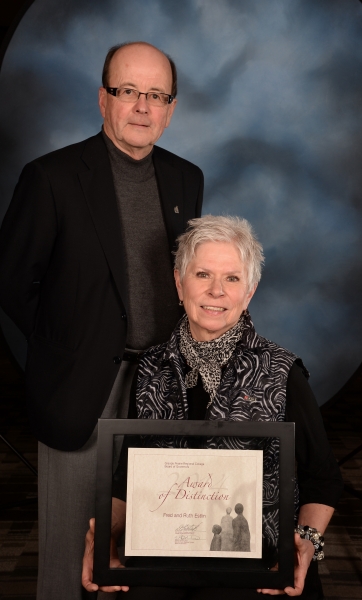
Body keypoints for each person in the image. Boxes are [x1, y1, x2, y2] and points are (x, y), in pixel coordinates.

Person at [0, 41, 203, 600]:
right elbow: (13, 281)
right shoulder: (51, 178)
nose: (142, 107)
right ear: (102, 99)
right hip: (79, 386)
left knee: (149, 548)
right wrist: (70, 341)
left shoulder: (188, 180)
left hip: (162, 386)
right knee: (72, 561)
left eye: (156, 95)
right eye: (128, 91)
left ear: (171, 108)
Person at [83, 215, 343, 599]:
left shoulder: (282, 371)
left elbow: (322, 478)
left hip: (259, 566)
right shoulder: (150, 368)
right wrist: (103, 532)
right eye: (203, 274)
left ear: (249, 291)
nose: (216, 291)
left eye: (232, 278)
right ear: (178, 282)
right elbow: (129, 476)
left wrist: (304, 542)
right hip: (164, 556)